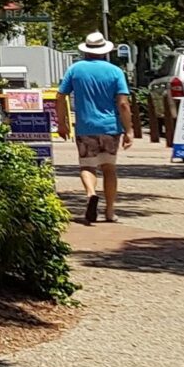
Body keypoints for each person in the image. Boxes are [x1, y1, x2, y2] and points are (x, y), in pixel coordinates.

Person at [58, 33, 135, 224]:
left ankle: (91, 193)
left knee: (87, 165)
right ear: (104, 51)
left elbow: (60, 96)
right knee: (109, 168)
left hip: (85, 126)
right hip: (110, 127)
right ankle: (110, 211)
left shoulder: (75, 69)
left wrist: (62, 123)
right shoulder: (116, 72)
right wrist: (129, 130)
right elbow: (123, 103)